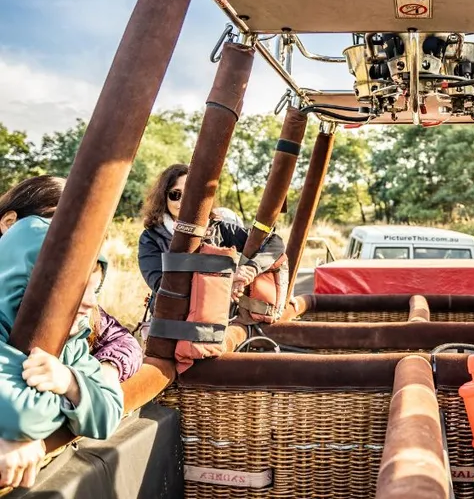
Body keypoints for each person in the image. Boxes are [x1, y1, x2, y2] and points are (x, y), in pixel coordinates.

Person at [0, 216, 124, 488]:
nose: (92, 303)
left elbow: (110, 413)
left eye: (96, 290)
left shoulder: (72, 341)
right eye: (79, 290)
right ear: (28, 283)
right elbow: (26, 417)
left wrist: (69, 381)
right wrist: (74, 403)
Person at [0, 176, 142, 382]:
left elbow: (123, 341)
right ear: (9, 223)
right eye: (58, 227)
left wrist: (94, 382)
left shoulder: (68, 291)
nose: (70, 241)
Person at [138, 164, 285, 311]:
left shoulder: (218, 228)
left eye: (190, 194)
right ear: (164, 197)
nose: (183, 201)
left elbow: (274, 242)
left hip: (216, 316)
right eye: (176, 194)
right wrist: (225, 276)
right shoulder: (151, 238)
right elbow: (163, 285)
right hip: (173, 319)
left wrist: (252, 268)